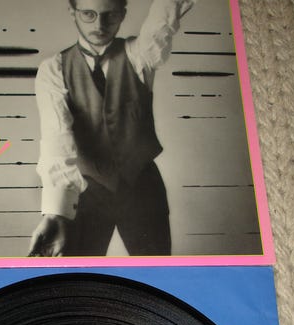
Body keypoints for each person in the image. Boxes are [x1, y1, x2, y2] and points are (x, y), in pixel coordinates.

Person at [28, 0, 196, 257]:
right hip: (86, 193)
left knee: (154, 272)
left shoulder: (140, 54)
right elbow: (56, 140)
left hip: (142, 187)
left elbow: (164, 15)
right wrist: (55, 214)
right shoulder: (53, 69)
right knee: (82, 275)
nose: (99, 24)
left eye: (110, 15)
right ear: (72, 12)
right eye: (88, 14)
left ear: (123, 14)